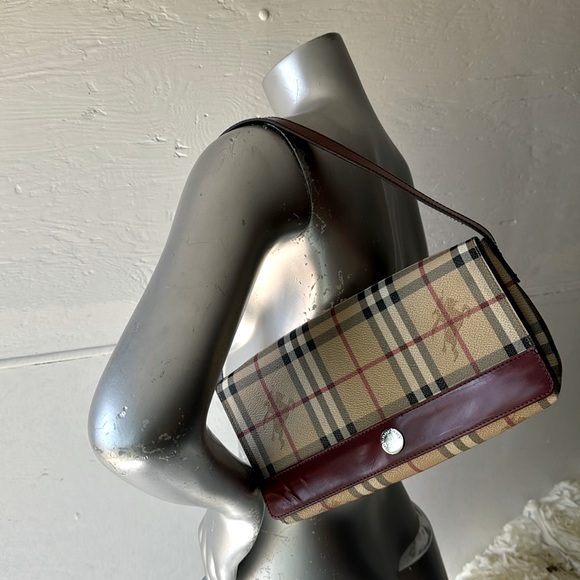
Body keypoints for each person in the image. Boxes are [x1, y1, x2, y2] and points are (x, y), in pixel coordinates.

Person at [89, 32, 447, 579]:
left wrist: (237, 510)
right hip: (402, 527)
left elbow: (131, 434)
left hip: (300, 544)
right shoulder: (387, 161)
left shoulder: (256, 158)